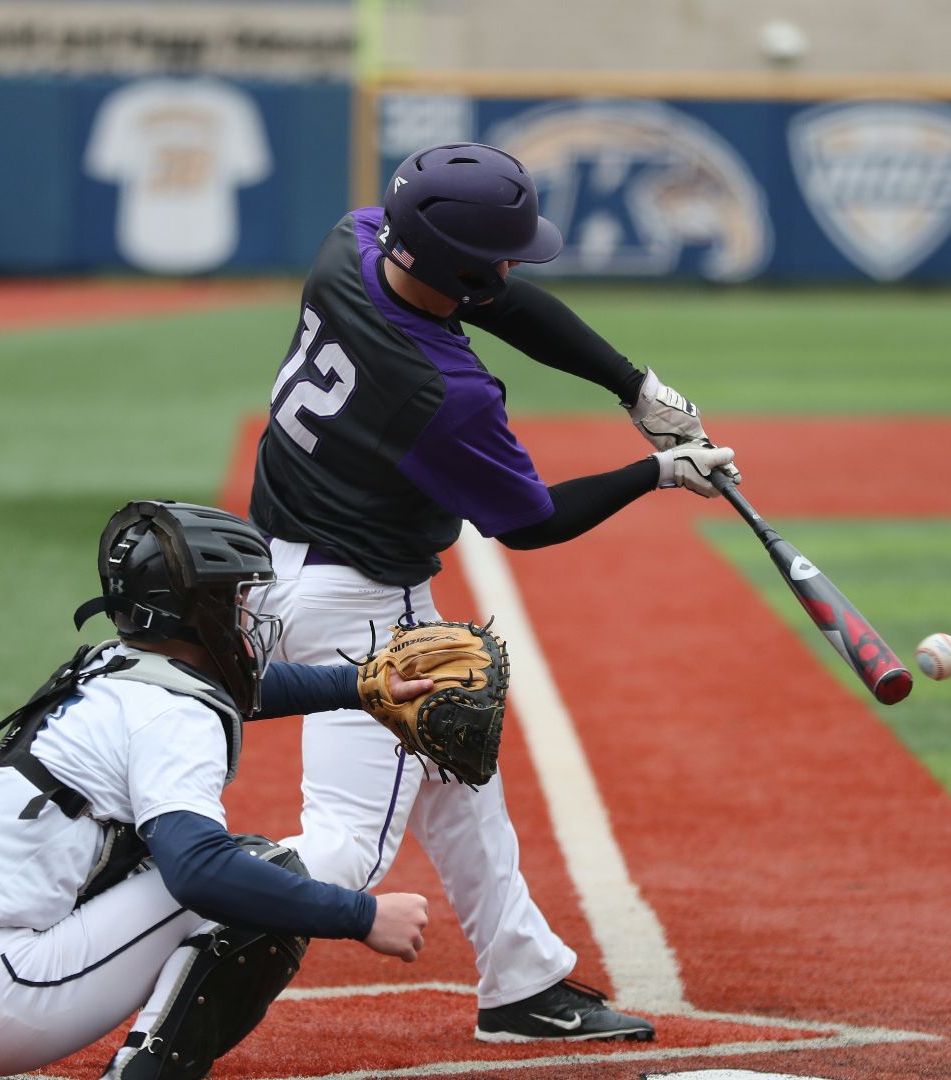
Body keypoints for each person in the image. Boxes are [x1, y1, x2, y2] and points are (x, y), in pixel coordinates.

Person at [247, 142, 736, 1043]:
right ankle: (163, 901)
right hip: (362, 604)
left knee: (457, 769)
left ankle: (521, 979)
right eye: (502, 253)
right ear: (458, 267)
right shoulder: (445, 394)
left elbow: (495, 296)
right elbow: (530, 522)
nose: (515, 265)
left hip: (272, 565)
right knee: (348, 848)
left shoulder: (350, 245)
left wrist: (632, 385)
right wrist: (660, 471)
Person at [0, 501, 437, 1080]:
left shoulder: (110, 665)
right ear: (200, 611)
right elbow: (201, 874)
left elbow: (244, 689)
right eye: (236, 598)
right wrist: (362, 916)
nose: (248, 612)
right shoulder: (173, 718)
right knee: (252, 871)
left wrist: (362, 684)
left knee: (154, 857)